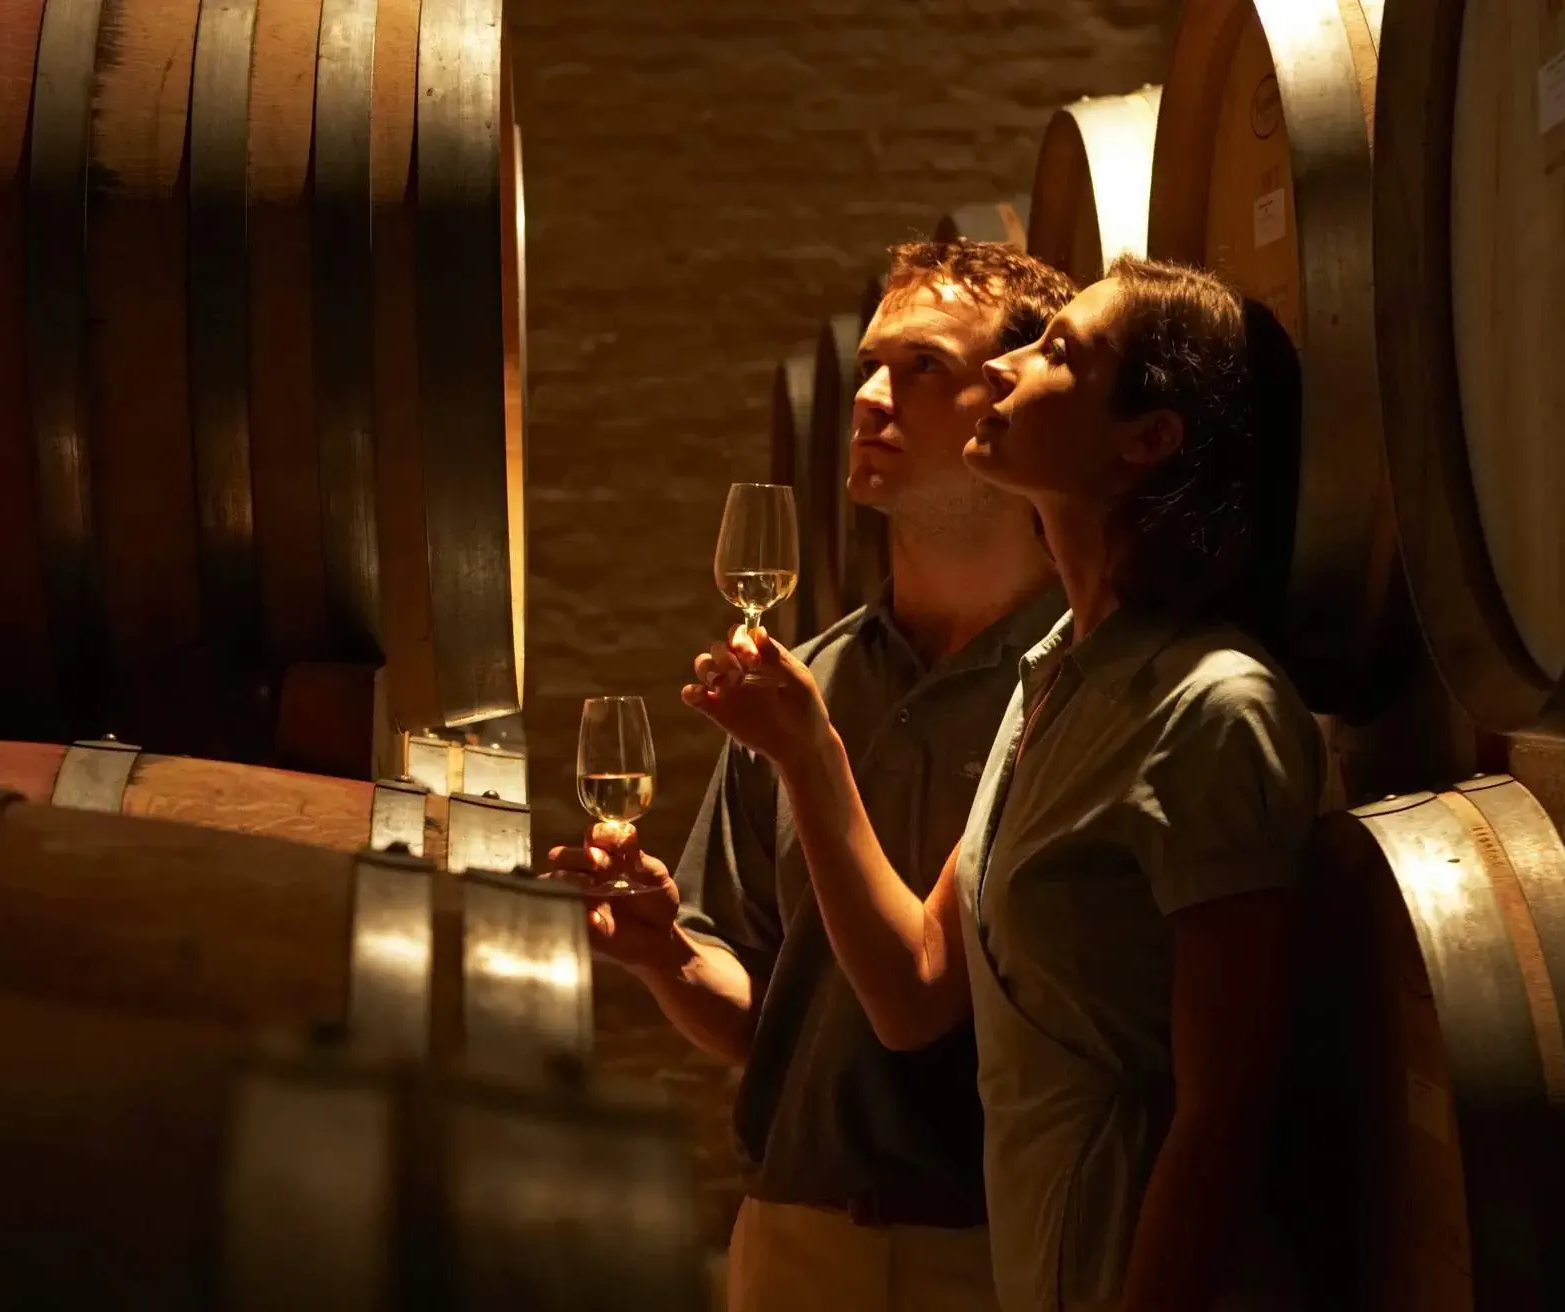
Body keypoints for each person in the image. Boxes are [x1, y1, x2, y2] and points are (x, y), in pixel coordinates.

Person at [684, 257, 1319, 1312]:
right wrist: (804, 758)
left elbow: (1225, 1114)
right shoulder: (1052, 680)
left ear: (1148, 440)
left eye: (1060, 350)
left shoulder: (1216, 705)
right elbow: (917, 982)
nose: (1016, 365)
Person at [548, 240, 1075, 1312]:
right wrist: (666, 957)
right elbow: (764, 1007)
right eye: (873, 365)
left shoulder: (1071, 681)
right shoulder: (819, 674)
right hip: (790, 1240)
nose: (871, 397)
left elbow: (922, 1000)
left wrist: (809, 755)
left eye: (923, 367)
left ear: (1012, 402)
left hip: (989, 1251)